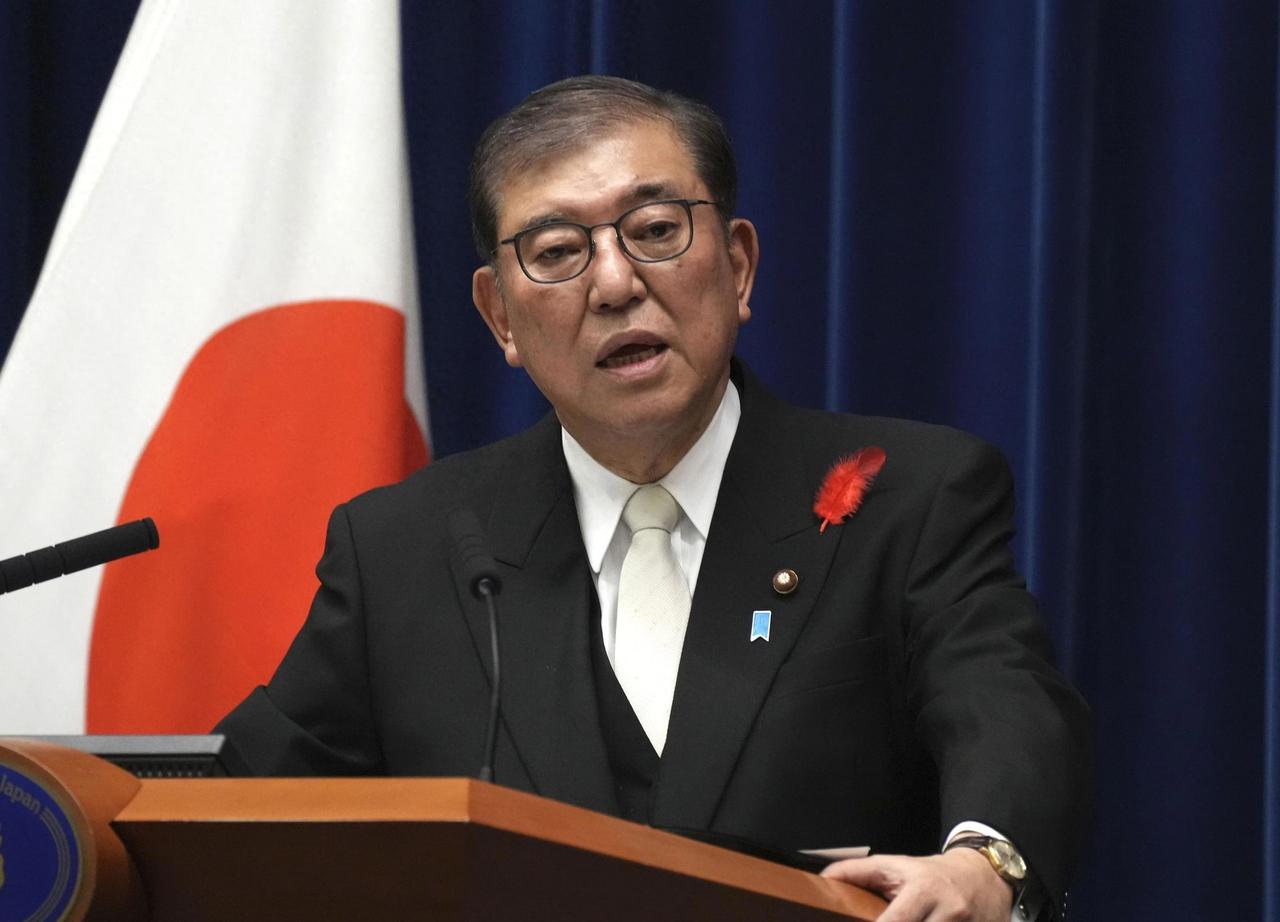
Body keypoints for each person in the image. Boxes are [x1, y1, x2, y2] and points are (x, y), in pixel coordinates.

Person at [216, 76, 1091, 922]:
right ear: (501, 318)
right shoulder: (407, 550)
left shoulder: (913, 497)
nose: (614, 284)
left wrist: (986, 864)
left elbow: (1005, 707)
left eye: (656, 230)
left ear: (738, 267)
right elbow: (236, 814)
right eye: (557, 252)